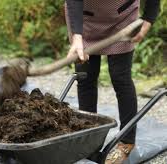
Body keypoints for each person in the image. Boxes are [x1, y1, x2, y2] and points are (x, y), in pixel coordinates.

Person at [64, 0, 160, 163]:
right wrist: (77, 37)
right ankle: (88, 137)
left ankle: (127, 142)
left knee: (120, 78)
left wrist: (149, 17)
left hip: (122, 16)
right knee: (85, 78)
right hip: (84, 20)